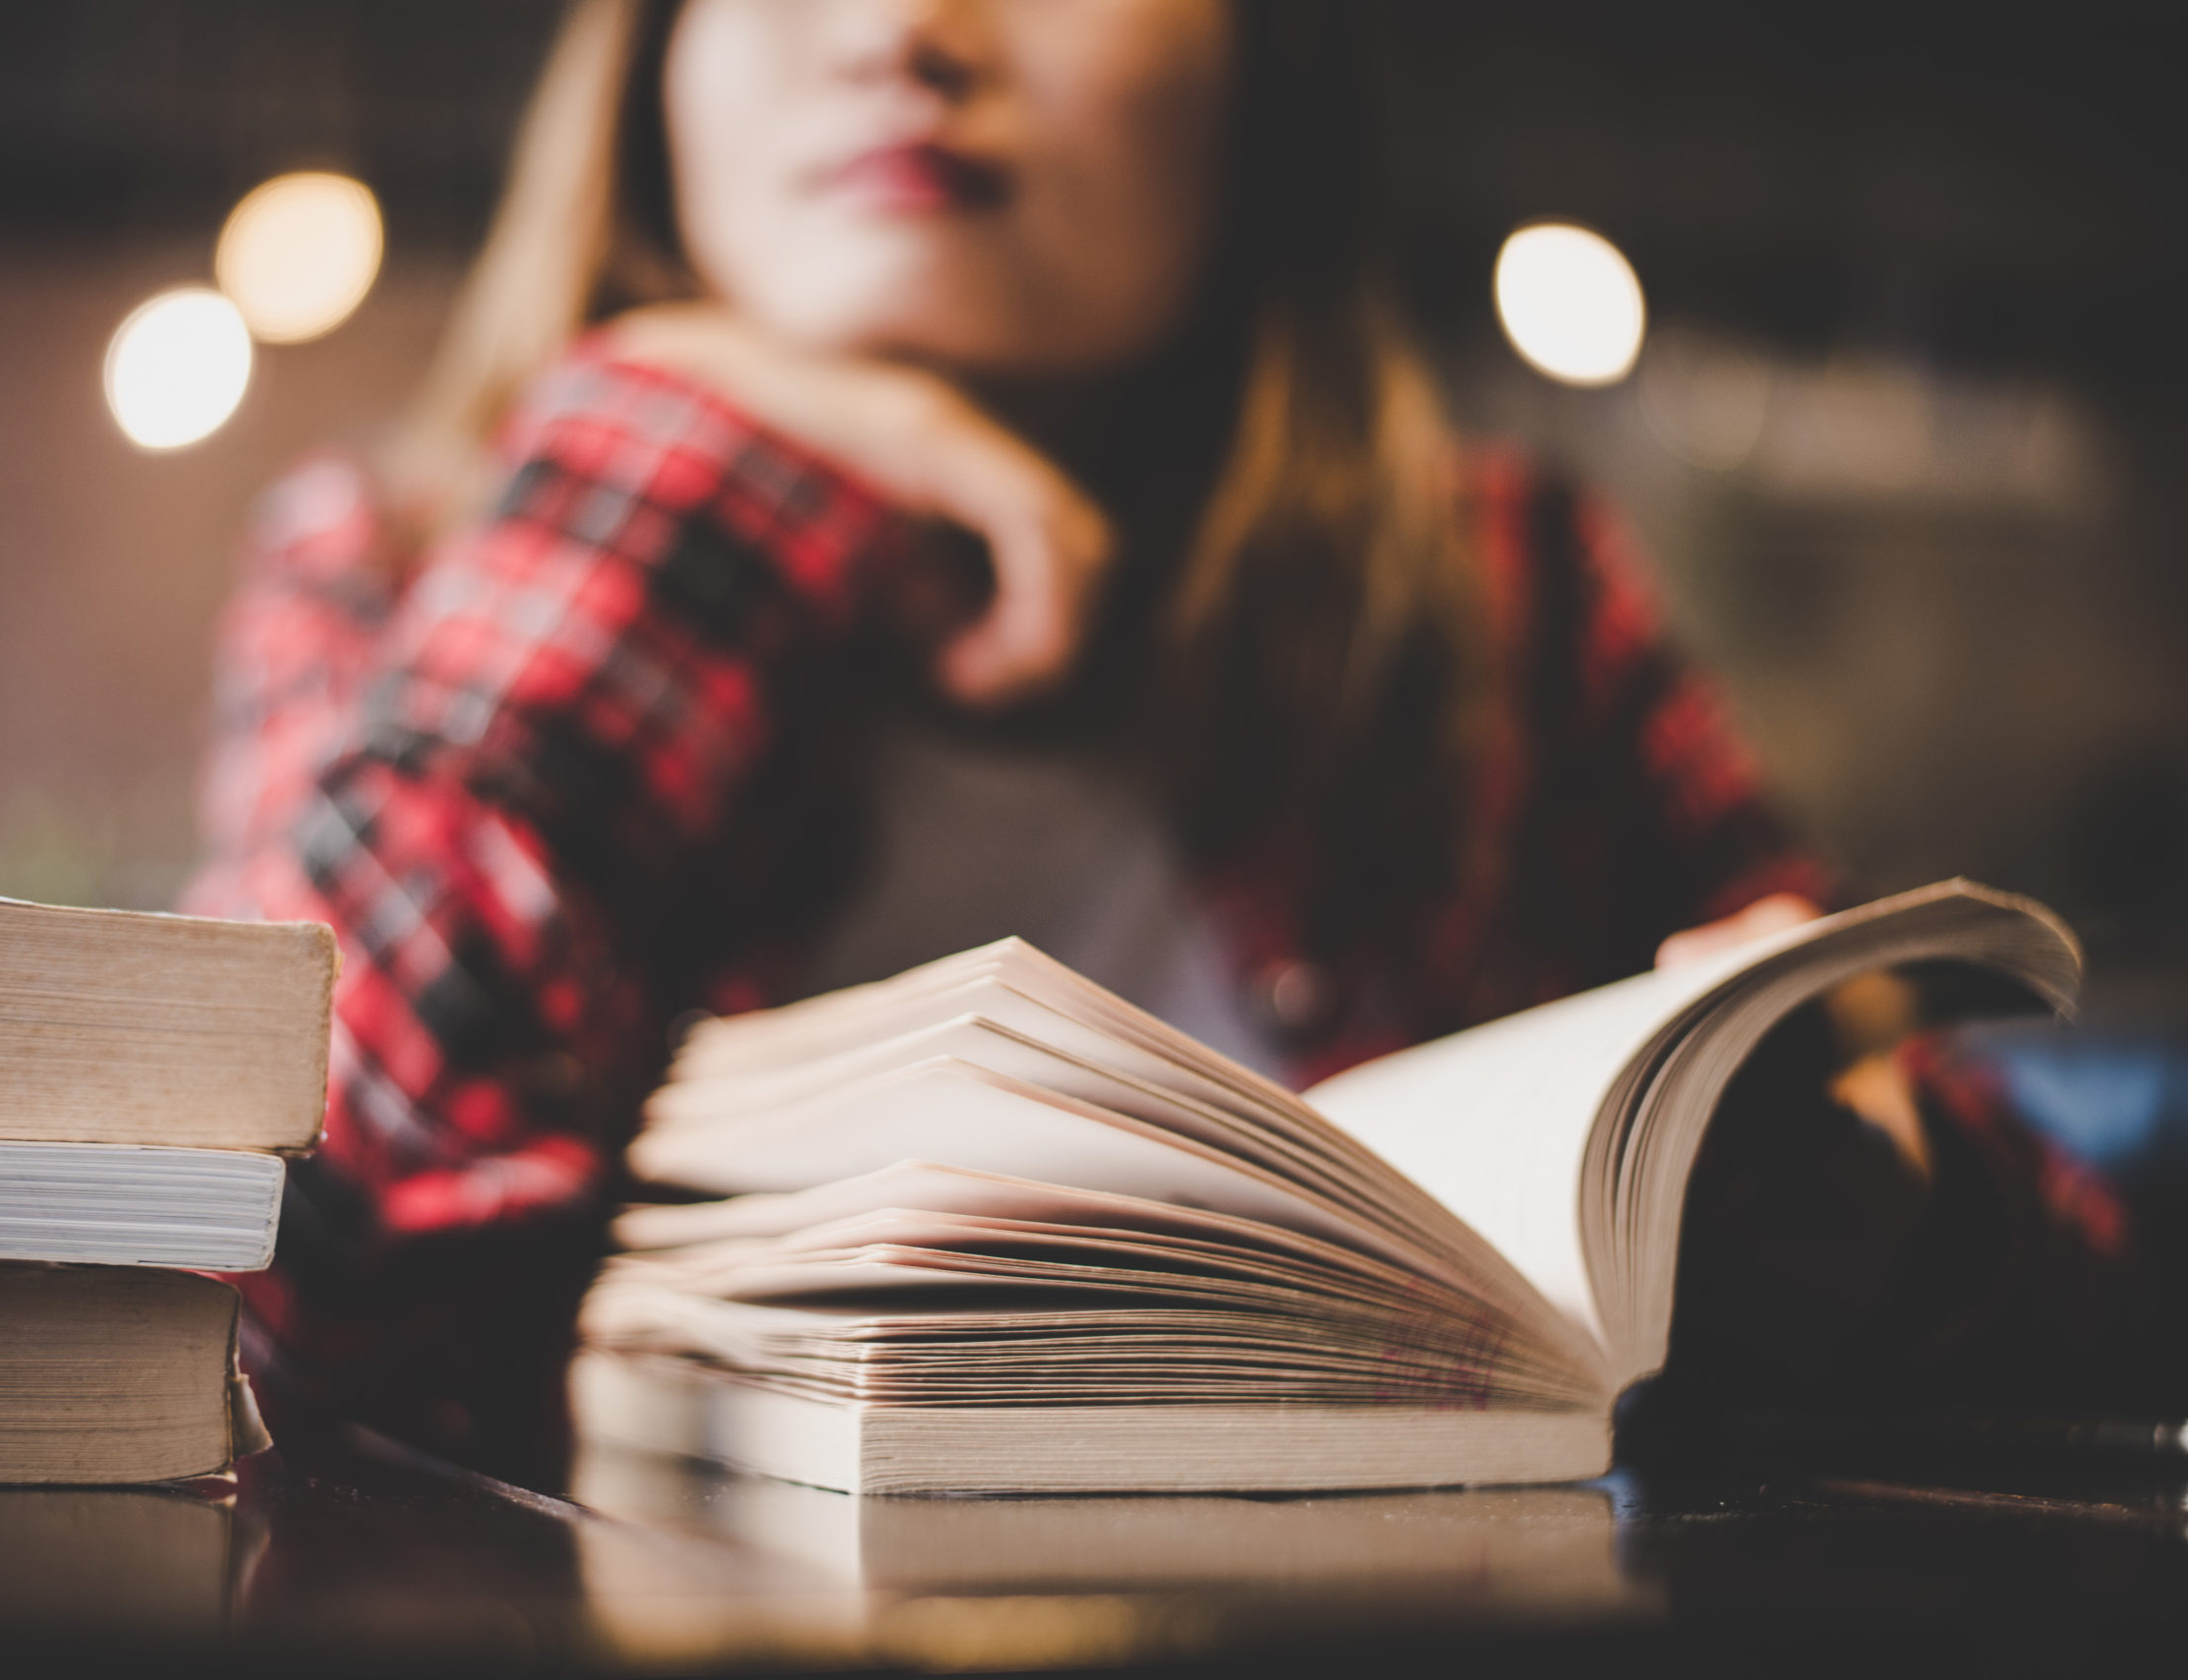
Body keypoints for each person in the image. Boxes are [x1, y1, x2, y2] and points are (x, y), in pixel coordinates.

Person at [184, 0, 2139, 1482]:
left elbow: (2063, 1283)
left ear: (1258, 86)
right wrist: (674, 486)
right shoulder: (397, 572)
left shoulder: (1505, 607)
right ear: (647, 85)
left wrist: (1862, 1216)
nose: (900, 37)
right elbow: (274, 1273)